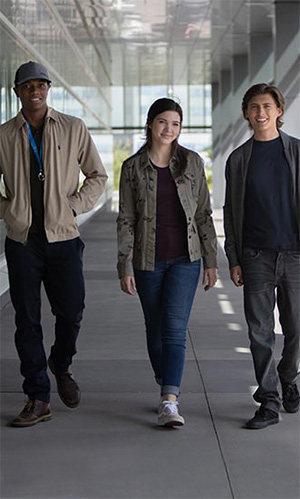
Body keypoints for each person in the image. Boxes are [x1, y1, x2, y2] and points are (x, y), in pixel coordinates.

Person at [0, 61, 108, 427]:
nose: (35, 91)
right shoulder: (3, 134)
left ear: (49, 90)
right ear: (17, 92)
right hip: (22, 241)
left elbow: (97, 175)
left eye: (41, 85)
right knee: (27, 319)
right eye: (27, 86)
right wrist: (9, 211)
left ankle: (61, 363)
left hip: (63, 238)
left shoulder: (73, 128)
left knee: (72, 310)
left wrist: (73, 206)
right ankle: (38, 396)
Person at [117, 98, 218, 427]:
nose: (169, 129)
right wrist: (124, 265)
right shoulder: (132, 168)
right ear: (150, 124)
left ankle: (169, 400)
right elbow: (126, 220)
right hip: (147, 261)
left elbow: (203, 213)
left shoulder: (192, 162)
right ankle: (166, 378)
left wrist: (211, 260)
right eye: (163, 122)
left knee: (174, 329)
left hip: (186, 260)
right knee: (154, 328)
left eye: (175, 124)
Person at [224, 83, 300, 430]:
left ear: (279, 110)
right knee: (260, 331)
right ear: (246, 113)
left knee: (296, 328)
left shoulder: (297, 152)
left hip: (295, 254)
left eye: (267, 106)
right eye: (254, 107)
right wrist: (234, 258)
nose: (261, 113)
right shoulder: (239, 159)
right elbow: (229, 211)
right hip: (255, 255)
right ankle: (268, 400)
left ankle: (288, 376)